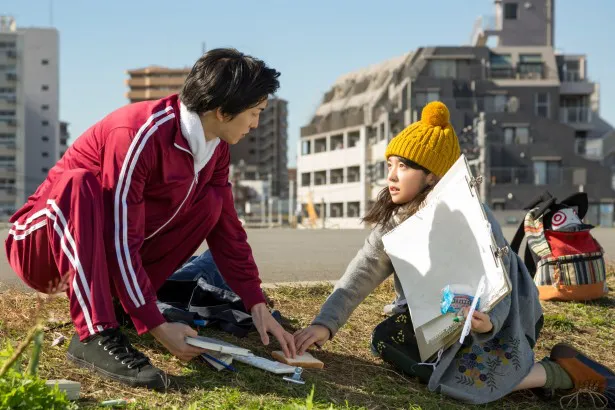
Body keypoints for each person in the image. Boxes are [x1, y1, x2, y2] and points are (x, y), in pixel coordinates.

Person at [5, 48, 296, 390]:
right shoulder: (138, 133)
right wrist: (156, 325)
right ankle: (94, 335)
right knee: (79, 183)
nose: (256, 124)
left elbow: (228, 230)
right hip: (42, 247)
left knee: (213, 203)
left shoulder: (215, 148)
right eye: (254, 113)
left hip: (102, 255)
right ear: (222, 111)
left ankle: (121, 305)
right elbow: (119, 235)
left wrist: (255, 302)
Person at [294, 101, 614, 407]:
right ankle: (508, 368)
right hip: (447, 318)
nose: (391, 176)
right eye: (389, 165)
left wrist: (489, 323)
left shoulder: (472, 215)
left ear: (432, 175)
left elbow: (498, 280)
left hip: (502, 316)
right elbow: (362, 271)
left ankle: (560, 373)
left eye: (403, 166)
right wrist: (325, 324)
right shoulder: (394, 218)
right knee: (385, 339)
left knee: (461, 381)